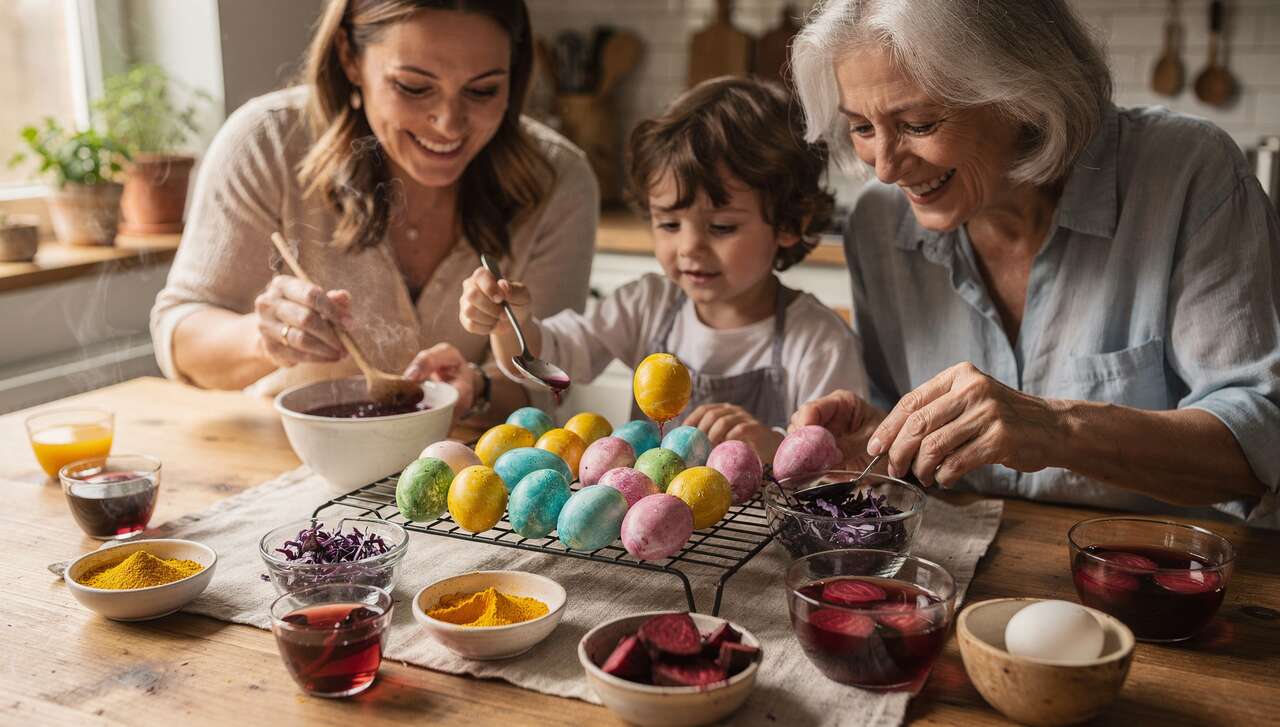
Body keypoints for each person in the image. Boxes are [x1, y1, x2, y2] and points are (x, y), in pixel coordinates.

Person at [788, 0, 1280, 526]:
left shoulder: (1186, 174)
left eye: (919, 123)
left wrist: (1057, 427)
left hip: (1165, 575)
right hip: (970, 573)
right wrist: (881, 444)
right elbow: (907, 457)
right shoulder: (879, 224)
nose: (884, 168)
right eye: (862, 127)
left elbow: (1261, 444)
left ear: (1024, 96)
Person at [150, 0, 597, 422]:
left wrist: (478, 389)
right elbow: (181, 336)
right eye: (414, 87)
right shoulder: (267, 144)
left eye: (482, 90)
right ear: (349, 58)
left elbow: (544, 384)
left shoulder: (559, 181)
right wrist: (262, 339)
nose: (449, 122)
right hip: (281, 465)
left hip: (465, 480)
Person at [458, 77, 867, 459]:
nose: (689, 248)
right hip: (645, 531)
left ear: (790, 224)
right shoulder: (647, 305)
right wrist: (511, 323)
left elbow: (837, 461)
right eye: (669, 224)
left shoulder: (819, 341)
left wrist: (773, 445)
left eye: (722, 227)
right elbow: (554, 367)